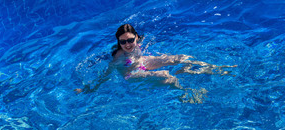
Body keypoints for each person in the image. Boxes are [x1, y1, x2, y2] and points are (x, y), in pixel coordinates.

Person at [76, 24, 237, 92]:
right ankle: (186, 92)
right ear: (119, 42)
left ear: (137, 38)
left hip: (143, 62)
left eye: (131, 40)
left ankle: (216, 68)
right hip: (132, 74)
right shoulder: (118, 57)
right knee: (167, 76)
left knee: (182, 57)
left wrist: (160, 56)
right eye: (123, 42)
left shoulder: (138, 43)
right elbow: (106, 75)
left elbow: (142, 46)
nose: (128, 44)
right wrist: (88, 89)